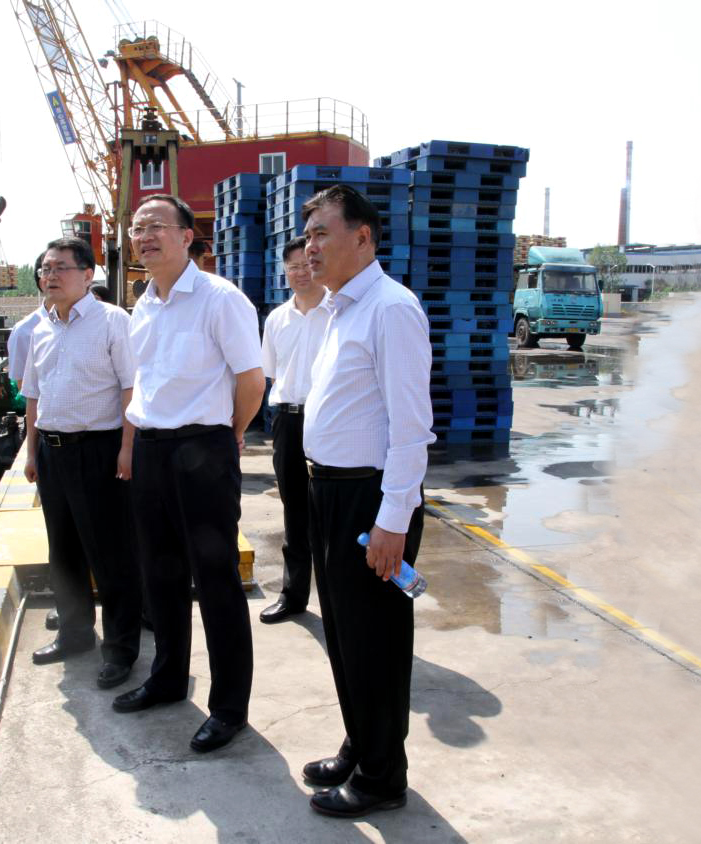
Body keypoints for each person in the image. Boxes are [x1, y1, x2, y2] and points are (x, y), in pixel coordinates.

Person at [299, 185, 435, 818]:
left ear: (362, 237)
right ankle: (361, 744)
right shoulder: (338, 309)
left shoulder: (391, 309)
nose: (310, 246)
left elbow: (411, 429)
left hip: (369, 499)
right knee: (345, 637)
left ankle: (383, 777)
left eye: (322, 233)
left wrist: (392, 522)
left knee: (375, 641)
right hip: (329, 490)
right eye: (307, 235)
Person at [112, 194, 265, 755]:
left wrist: (227, 435)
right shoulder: (144, 306)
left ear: (186, 236)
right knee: (160, 574)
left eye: (156, 226)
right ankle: (168, 678)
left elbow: (252, 382)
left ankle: (229, 707)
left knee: (216, 578)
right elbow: (146, 385)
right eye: (137, 229)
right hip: (152, 449)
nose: (145, 236)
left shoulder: (221, 299)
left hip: (204, 448)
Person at [22, 237, 142, 689]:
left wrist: (127, 449)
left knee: (111, 554)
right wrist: (32, 452)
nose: (50, 276)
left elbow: (131, 389)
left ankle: (121, 649)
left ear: (88, 275)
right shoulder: (40, 327)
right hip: (52, 453)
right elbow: (33, 395)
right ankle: (74, 634)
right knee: (64, 551)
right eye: (45, 269)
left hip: (99, 450)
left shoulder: (113, 321)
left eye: (60, 268)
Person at [258, 235, 329, 624]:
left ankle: (336, 599)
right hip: (287, 419)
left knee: (330, 511)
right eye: (293, 267)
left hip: (328, 419)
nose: (301, 273)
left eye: (306, 265)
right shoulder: (277, 319)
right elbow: (270, 373)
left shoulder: (337, 312)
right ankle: (293, 594)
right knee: (295, 510)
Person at [6, 252, 47, 392]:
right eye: (48, 270)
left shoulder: (103, 323)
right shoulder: (24, 331)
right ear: (41, 281)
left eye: (64, 269)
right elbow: (24, 388)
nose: (55, 276)